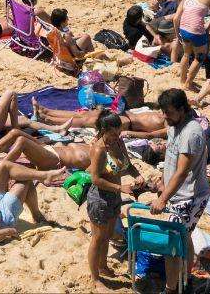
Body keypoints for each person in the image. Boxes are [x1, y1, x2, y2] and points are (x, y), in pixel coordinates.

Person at [148, 89, 210, 294]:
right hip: (176, 192)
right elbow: (170, 158)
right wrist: (163, 183)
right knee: (185, 235)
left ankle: (170, 289)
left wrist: (163, 199)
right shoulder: (173, 124)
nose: (165, 116)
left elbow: (183, 171)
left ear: (182, 109)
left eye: (169, 112)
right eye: (163, 112)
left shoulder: (191, 132)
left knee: (171, 246)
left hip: (191, 196)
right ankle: (188, 276)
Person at [86, 111, 146, 291]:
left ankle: (103, 267)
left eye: (118, 132)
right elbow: (95, 179)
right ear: (103, 130)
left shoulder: (118, 143)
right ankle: (95, 278)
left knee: (106, 236)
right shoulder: (99, 150)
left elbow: (128, 164)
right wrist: (121, 188)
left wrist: (138, 176)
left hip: (114, 197)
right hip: (100, 199)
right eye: (113, 133)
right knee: (97, 239)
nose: (116, 136)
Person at [174, 0, 210, 89]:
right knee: (199, 58)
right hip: (196, 31)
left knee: (186, 55)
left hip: (184, 28)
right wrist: (207, 31)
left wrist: (177, 34)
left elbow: (176, 18)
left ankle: (182, 80)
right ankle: (188, 83)